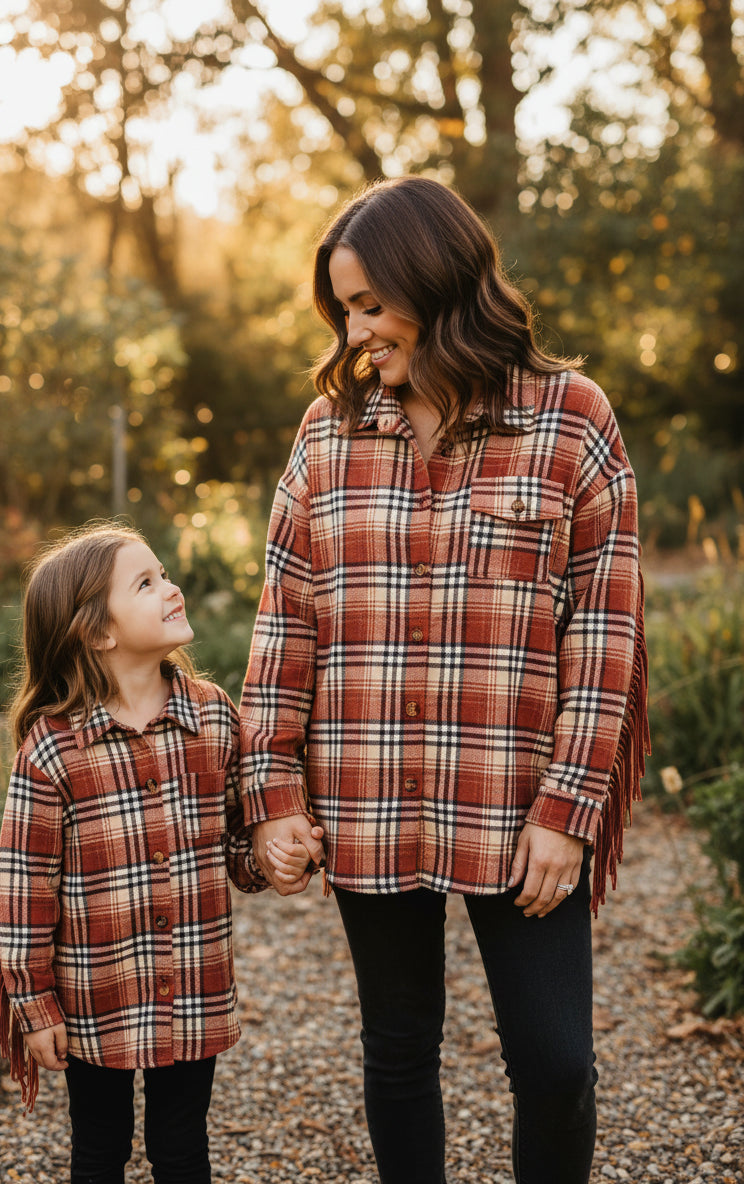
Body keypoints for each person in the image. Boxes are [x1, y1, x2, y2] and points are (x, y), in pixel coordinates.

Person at [240, 176, 650, 1184]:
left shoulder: (570, 420)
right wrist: (273, 793)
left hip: (518, 806)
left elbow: (605, 630)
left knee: (556, 1063)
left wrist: (569, 805)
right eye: (344, 309)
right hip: (367, 789)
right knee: (398, 1048)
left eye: (372, 304)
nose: (356, 330)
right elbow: (285, 615)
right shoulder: (328, 432)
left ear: (439, 282)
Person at [0, 522, 319, 1184]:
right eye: (146, 583)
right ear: (98, 633)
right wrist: (34, 1006)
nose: (172, 589)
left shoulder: (214, 719)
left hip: (194, 986)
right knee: (99, 1149)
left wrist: (274, 860)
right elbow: (24, 891)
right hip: (95, 993)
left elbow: (235, 844)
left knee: (182, 1148)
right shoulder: (54, 752)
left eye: (164, 574)